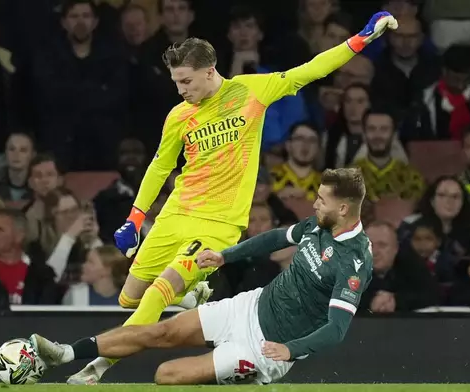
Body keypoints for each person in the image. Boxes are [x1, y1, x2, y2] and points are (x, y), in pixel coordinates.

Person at [65, 11, 396, 384]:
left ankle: (96, 368)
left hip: (219, 224)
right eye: (176, 82)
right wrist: (136, 217)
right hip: (177, 213)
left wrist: (361, 39)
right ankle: (192, 297)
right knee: (130, 299)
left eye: (186, 81)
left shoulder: (251, 91)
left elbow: (312, 69)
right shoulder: (179, 116)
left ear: (210, 71)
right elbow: (160, 167)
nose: (181, 90)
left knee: (159, 293)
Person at [30, 167, 374, 385]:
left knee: (166, 376)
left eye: (321, 200)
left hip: (263, 349)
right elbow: (276, 238)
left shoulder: (354, 261)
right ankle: (66, 354)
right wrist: (225, 256)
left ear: (343, 208)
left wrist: (289, 349)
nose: (313, 204)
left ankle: (246, 378)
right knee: (161, 331)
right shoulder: (319, 223)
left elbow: (337, 329)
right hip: (249, 306)